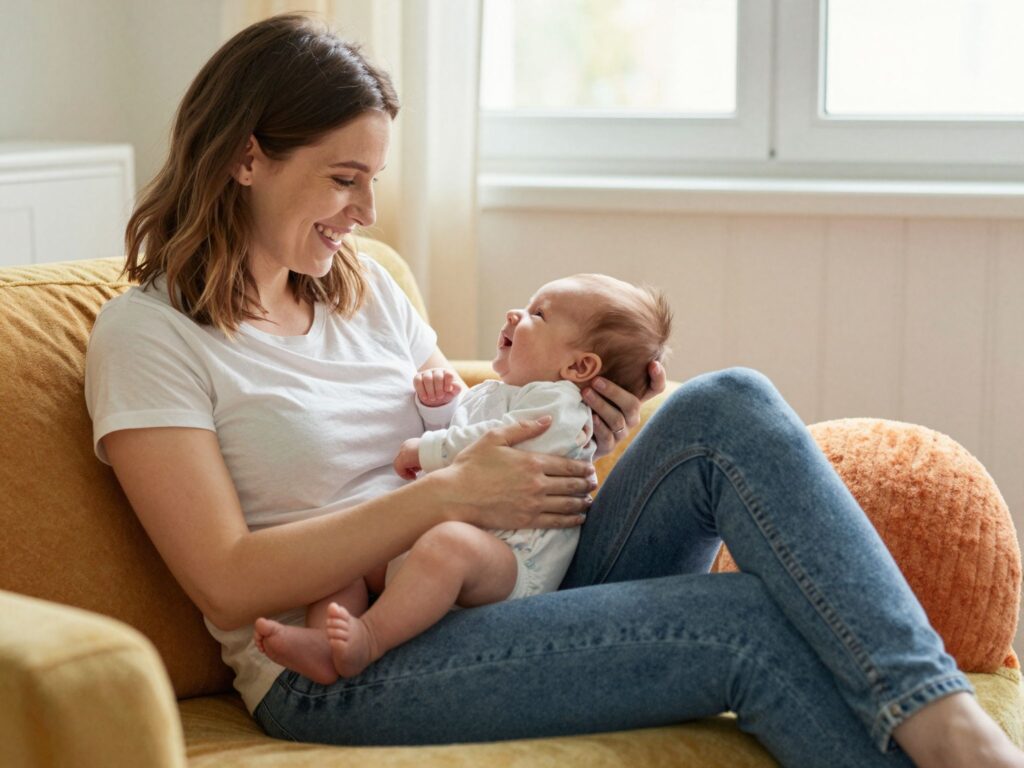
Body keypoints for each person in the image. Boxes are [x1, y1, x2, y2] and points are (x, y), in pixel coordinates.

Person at [82, 14, 1024, 768]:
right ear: (248, 157)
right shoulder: (150, 337)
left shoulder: (365, 290)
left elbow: (468, 415)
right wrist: (447, 495)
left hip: (500, 574)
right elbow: (225, 574)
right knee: (745, 624)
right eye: (344, 179)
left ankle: (950, 726)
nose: (365, 211)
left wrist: (579, 430)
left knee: (724, 403)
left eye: (373, 179)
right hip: (350, 658)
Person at [252, 274, 673, 683]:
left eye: (537, 314)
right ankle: (326, 645)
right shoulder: (497, 393)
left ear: (579, 365)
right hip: (442, 550)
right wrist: (438, 406)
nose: (514, 314)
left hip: (512, 562)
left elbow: (492, 443)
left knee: (448, 545)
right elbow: (464, 425)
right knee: (342, 559)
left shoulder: (559, 406)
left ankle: (369, 638)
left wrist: (425, 449)